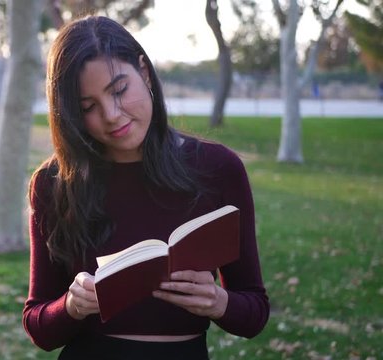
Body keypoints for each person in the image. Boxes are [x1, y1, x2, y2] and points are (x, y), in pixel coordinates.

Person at [22, 16, 269, 359]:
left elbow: (254, 314)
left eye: (119, 90)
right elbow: (39, 327)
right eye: (87, 107)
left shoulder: (219, 169)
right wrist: (71, 306)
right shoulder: (54, 183)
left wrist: (218, 301)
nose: (111, 115)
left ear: (145, 72)